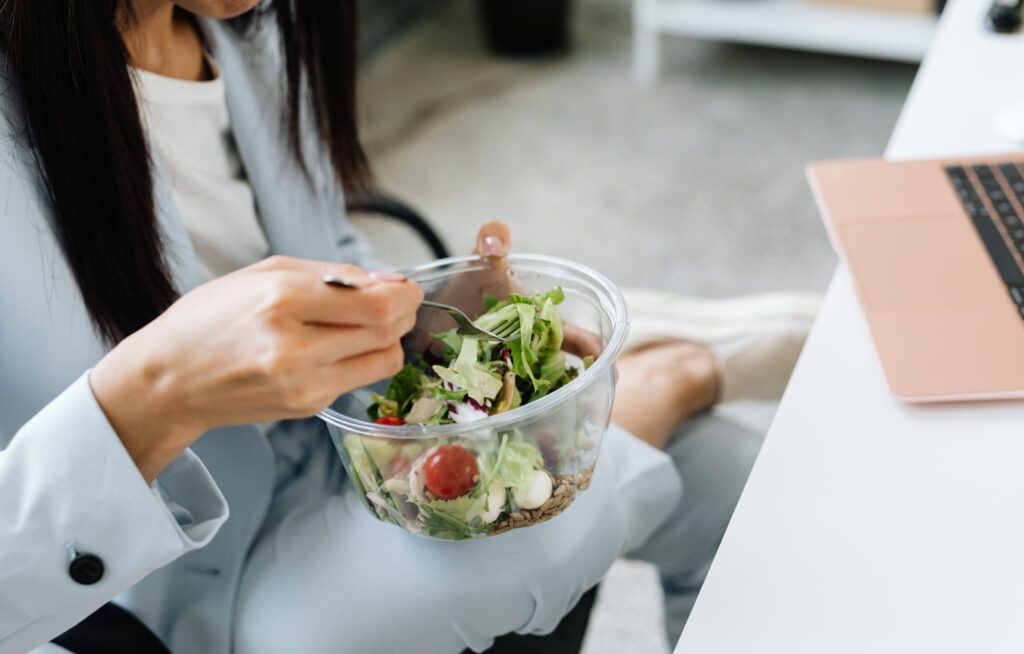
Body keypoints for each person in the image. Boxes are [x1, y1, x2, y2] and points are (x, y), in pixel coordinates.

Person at [0, 1, 815, 653]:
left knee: (748, 486)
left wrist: (422, 326)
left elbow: (322, 245)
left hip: (349, 451)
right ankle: (663, 382)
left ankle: (650, 386)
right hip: (190, 588)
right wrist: (153, 397)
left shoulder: (248, 31)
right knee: (519, 542)